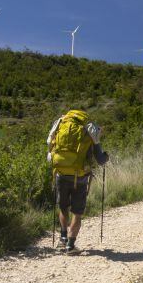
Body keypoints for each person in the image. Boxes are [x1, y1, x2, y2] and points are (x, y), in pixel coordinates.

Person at [47, 108, 109, 253]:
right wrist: (106, 156)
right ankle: (70, 245)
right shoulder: (89, 129)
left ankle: (62, 239)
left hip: (60, 173)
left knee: (63, 207)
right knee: (77, 212)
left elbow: (50, 148)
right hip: (80, 177)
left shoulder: (59, 124)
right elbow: (100, 160)